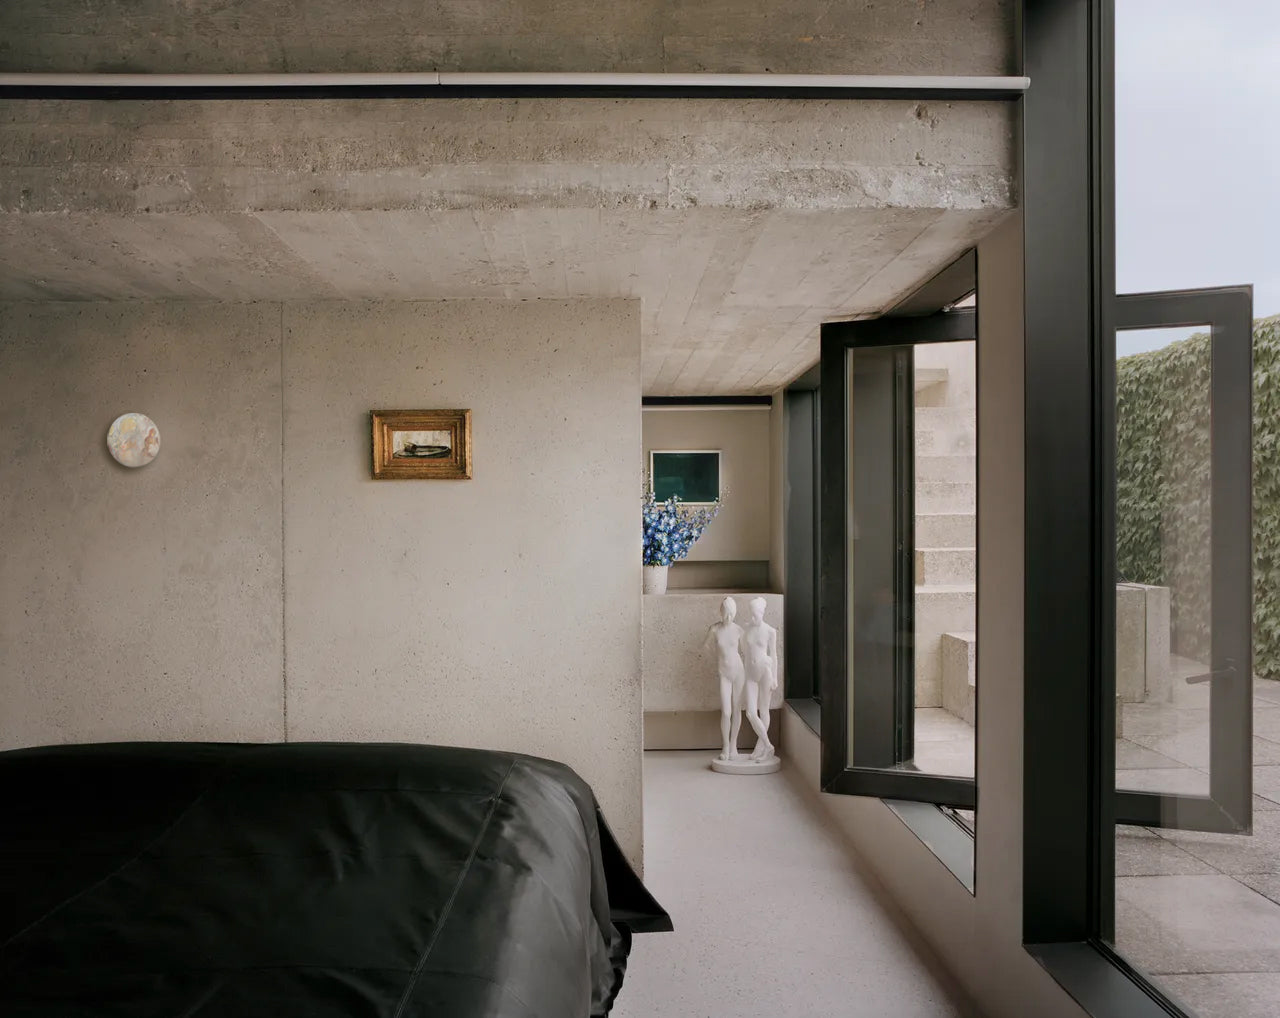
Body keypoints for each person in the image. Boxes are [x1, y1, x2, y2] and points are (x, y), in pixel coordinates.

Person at [740, 596, 778, 762]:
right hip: (750, 674)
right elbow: (743, 650)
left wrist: (775, 677)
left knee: (764, 711)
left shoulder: (770, 631)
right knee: (750, 712)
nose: (754, 616)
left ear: (762, 612)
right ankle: (768, 745)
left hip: (765, 672)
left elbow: (774, 655)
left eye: (757, 613)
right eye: (752, 613)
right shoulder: (746, 629)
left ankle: (760, 748)